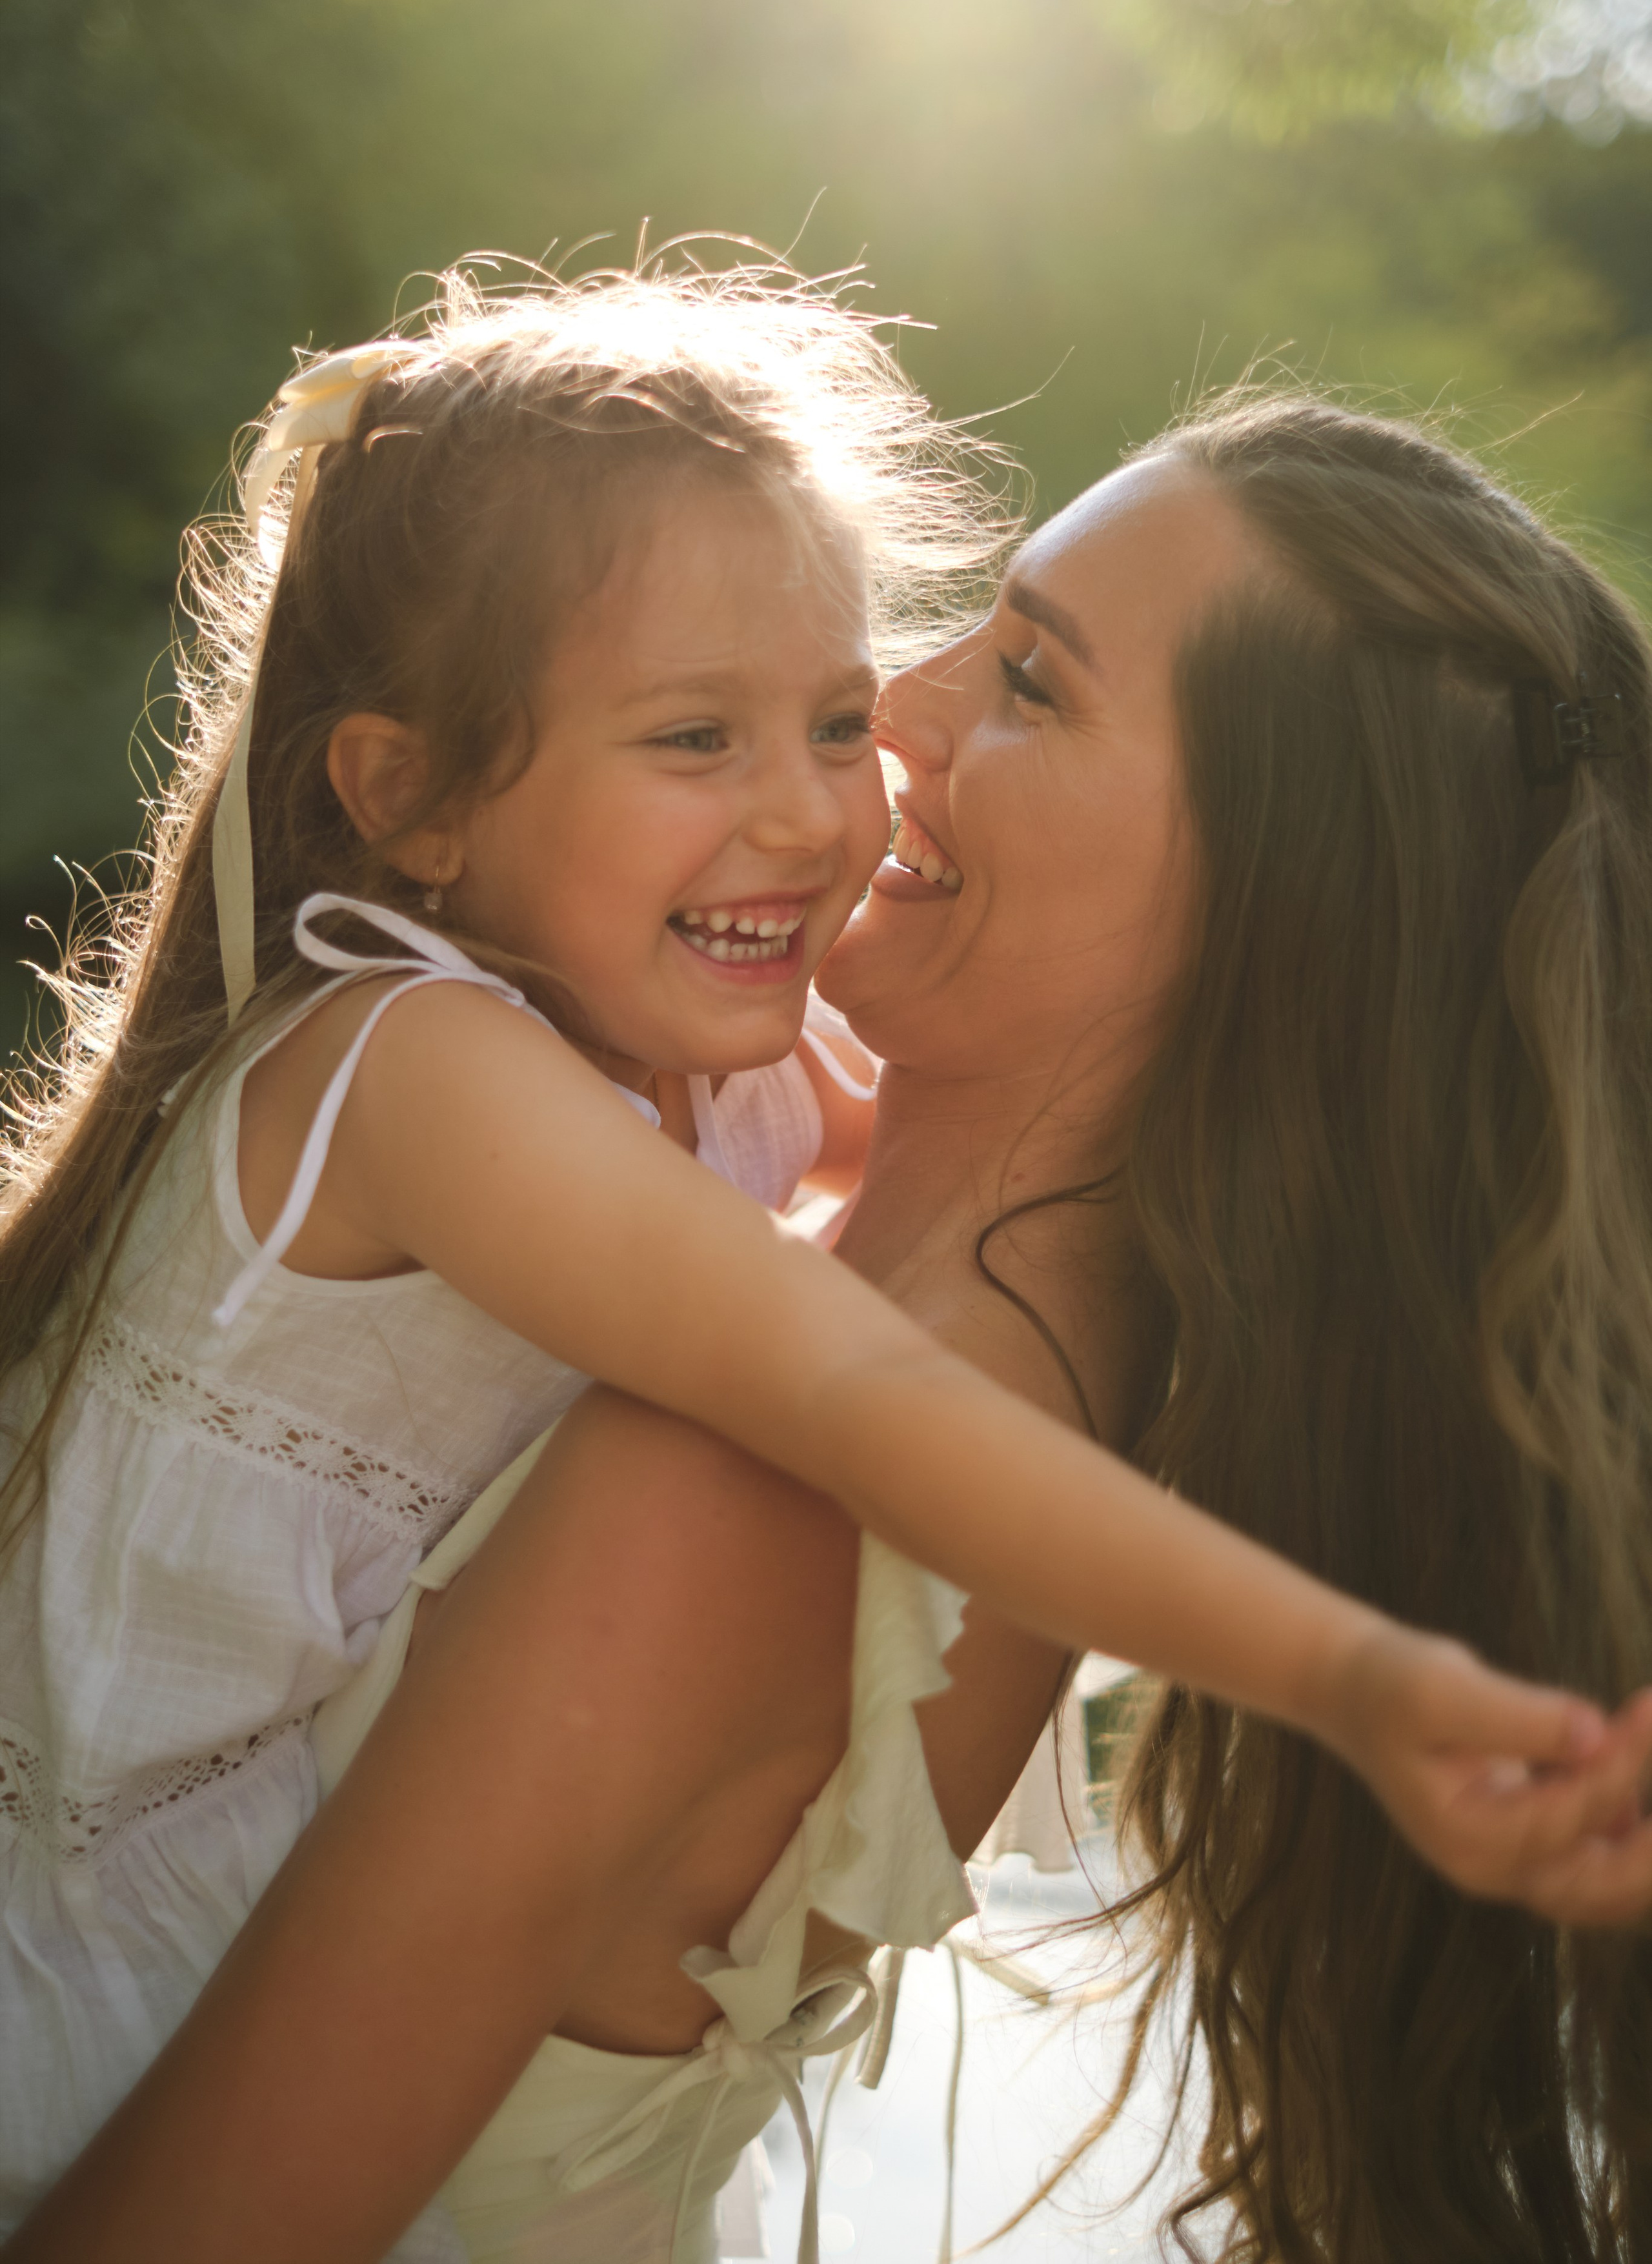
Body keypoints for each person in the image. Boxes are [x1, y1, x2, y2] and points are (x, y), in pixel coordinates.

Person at [10, 378, 1652, 2264]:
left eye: (1033, 681)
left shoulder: (749, 1497)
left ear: (1279, 903)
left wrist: (1355, 1680)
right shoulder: (967, 1311)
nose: (903, 713)